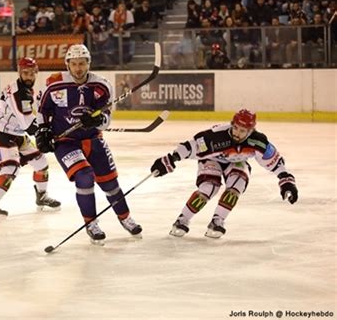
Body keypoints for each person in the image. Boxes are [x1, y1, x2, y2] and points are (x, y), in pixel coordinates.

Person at [35, 44, 142, 245]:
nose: (78, 68)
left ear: (88, 63)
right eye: (74, 64)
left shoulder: (101, 86)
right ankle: (91, 224)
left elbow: (107, 120)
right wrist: (42, 130)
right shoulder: (54, 84)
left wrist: (96, 120)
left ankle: (125, 218)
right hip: (65, 141)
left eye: (82, 63)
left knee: (110, 184)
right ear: (67, 64)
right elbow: (42, 110)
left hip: (93, 140)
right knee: (84, 177)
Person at [150, 109, 298, 238]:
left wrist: (286, 181)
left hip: (236, 162)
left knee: (237, 185)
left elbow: (275, 161)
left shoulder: (258, 142)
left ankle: (217, 221)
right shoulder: (215, 137)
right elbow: (190, 146)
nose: (237, 133)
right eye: (236, 128)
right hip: (211, 160)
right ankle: (182, 220)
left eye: (242, 131)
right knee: (209, 187)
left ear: (251, 131)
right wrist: (171, 159)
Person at [0, 57, 61, 221]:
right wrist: (46, 132)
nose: (29, 77)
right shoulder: (19, 93)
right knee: (11, 168)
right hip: (2, 133)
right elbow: (28, 125)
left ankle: (42, 196)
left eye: (32, 73)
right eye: (25, 73)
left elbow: (36, 116)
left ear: (36, 73)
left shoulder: (29, 90)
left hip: (17, 134)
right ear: (19, 72)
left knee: (41, 163)